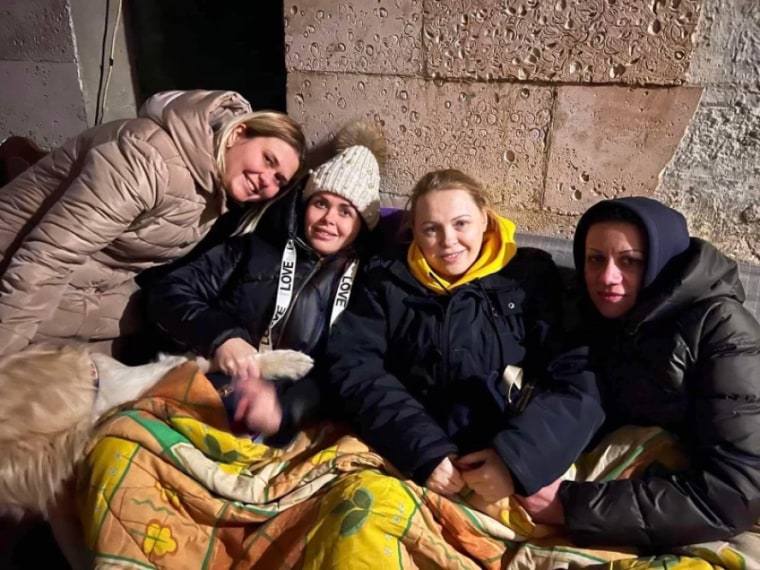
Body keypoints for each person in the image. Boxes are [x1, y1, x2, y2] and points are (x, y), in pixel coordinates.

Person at [325, 168, 604, 500]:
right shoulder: (387, 282)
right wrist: (422, 450)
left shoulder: (529, 277)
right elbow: (355, 365)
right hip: (414, 460)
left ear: (485, 219)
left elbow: (578, 375)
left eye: (461, 224)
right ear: (414, 231)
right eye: (431, 229)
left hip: (507, 463)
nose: (448, 242)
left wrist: (514, 461)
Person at [518, 196, 760, 549]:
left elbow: (735, 493)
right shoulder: (586, 310)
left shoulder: (721, 329)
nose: (607, 278)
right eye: (595, 259)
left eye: (630, 261)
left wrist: (569, 506)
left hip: (687, 501)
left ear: (662, 263)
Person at [0, 89, 305, 358]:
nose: (267, 181)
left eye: (279, 180)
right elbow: (50, 255)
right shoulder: (148, 160)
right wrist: (8, 351)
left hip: (85, 284)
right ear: (238, 133)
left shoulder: (213, 189)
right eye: (268, 159)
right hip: (17, 269)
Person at [148, 120, 385, 439]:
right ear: (304, 204)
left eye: (346, 212)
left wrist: (284, 409)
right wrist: (221, 336)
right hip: (217, 387)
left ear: (362, 225)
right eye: (320, 203)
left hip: (295, 418)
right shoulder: (253, 246)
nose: (329, 219)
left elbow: (353, 369)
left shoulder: (368, 285)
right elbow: (170, 292)